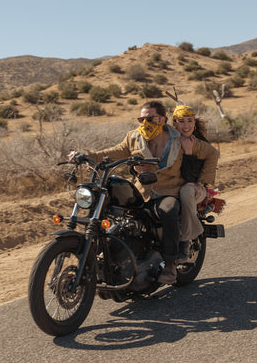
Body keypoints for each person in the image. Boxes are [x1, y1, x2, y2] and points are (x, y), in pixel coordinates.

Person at [69, 100, 185, 285]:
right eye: (141, 118)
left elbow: (200, 155)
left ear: (163, 119)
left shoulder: (178, 138)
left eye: (149, 118)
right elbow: (114, 152)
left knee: (168, 211)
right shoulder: (134, 136)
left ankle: (171, 265)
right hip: (142, 189)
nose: (144, 122)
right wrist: (85, 155)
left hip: (168, 190)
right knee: (112, 208)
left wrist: (198, 183)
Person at [172, 104, 220, 260]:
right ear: (174, 123)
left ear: (194, 122)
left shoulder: (198, 142)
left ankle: (185, 241)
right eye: (181, 121)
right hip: (170, 185)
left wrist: (199, 182)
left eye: (189, 121)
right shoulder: (168, 140)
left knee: (186, 192)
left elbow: (192, 173)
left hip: (194, 186)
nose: (186, 125)